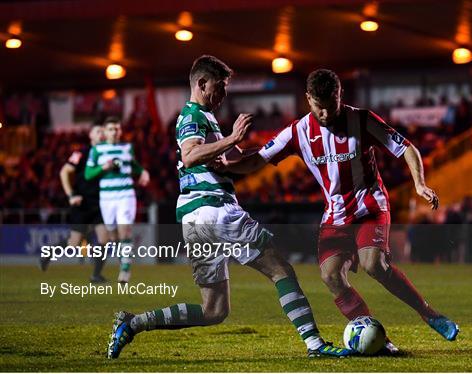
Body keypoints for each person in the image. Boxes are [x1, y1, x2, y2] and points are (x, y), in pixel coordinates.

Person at [106, 56, 352, 359]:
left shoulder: (206, 119)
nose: (223, 95)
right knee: (281, 270)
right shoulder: (192, 116)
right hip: (216, 210)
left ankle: (133, 323)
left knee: (214, 310)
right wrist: (233, 138)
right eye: (219, 88)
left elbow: (233, 162)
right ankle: (315, 345)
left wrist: (268, 150)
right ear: (201, 84)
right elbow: (190, 155)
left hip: (194, 218)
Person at [223, 69, 460, 352]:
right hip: (335, 215)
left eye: (330, 105)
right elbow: (254, 162)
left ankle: (429, 314)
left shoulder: (362, 120)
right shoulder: (297, 131)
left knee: (375, 265)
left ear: (340, 95)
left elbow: (406, 148)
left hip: (370, 206)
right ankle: (377, 340)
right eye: (318, 107)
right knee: (330, 276)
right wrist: (220, 160)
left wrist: (419, 184)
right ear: (308, 99)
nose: (324, 114)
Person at [40, 124, 109, 283]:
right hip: (82, 203)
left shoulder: (106, 155)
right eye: (98, 131)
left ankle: (96, 275)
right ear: (90, 135)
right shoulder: (80, 153)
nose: (102, 134)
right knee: (74, 242)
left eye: (103, 132)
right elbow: (64, 171)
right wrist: (71, 194)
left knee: (104, 238)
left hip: (100, 204)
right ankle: (49, 253)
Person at [85, 117, 150, 283]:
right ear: (105, 132)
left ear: (120, 131)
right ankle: (125, 262)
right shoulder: (97, 150)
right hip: (106, 198)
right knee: (113, 237)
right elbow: (88, 174)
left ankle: (125, 270)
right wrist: (103, 167)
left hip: (125, 195)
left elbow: (134, 166)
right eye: (111, 129)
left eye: (117, 128)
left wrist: (143, 172)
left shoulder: (127, 148)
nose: (114, 132)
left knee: (125, 231)